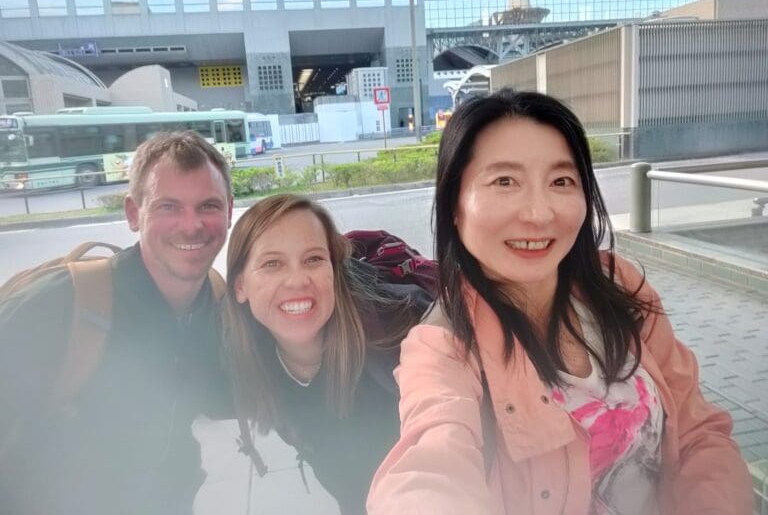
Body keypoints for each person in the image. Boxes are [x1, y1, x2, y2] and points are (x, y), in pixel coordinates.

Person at [367, 90, 753, 515]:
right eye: (504, 181)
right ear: (455, 206)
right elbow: (429, 466)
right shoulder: (444, 345)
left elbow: (700, 430)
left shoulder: (617, 283)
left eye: (561, 181)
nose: (538, 213)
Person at [0, 131, 234, 515]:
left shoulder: (217, 301)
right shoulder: (60, 304)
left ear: (228, 211)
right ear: (132, 214)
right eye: (168, 207)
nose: (191, 226)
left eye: (207, 205)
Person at [223, 194, 431, 515]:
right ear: (239, 287)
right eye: (272, 264)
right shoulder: (254, 359)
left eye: (313, 259)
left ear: (334, 272)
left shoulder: (403, 350)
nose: (297, 280)